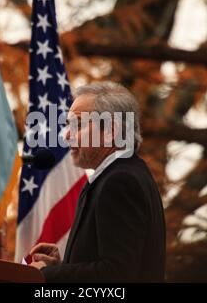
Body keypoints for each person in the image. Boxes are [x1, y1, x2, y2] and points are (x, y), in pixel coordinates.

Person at [29, 82, 166, 282]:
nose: (67, 135)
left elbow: (116, 275)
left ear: (111, 130)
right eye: (68, 125)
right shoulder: (121, 175)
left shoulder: (120, 182)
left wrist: (44, 274)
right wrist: (64, 266)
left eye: (77, 124)